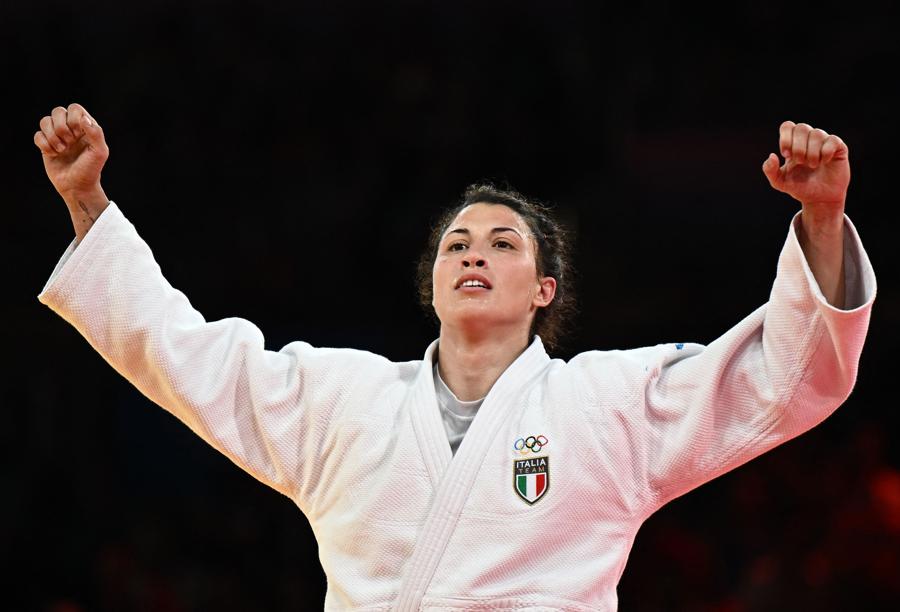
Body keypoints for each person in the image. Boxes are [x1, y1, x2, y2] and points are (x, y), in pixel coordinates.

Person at [34, 103, 876, 611]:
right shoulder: (340, 398)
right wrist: (88, 201)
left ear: (545, 289)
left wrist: (825, 218)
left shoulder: (610, 403)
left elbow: (782, 379)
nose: (472, 254)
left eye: (502, 243)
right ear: (433, 284)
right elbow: (182, 355)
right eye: (455, 245)